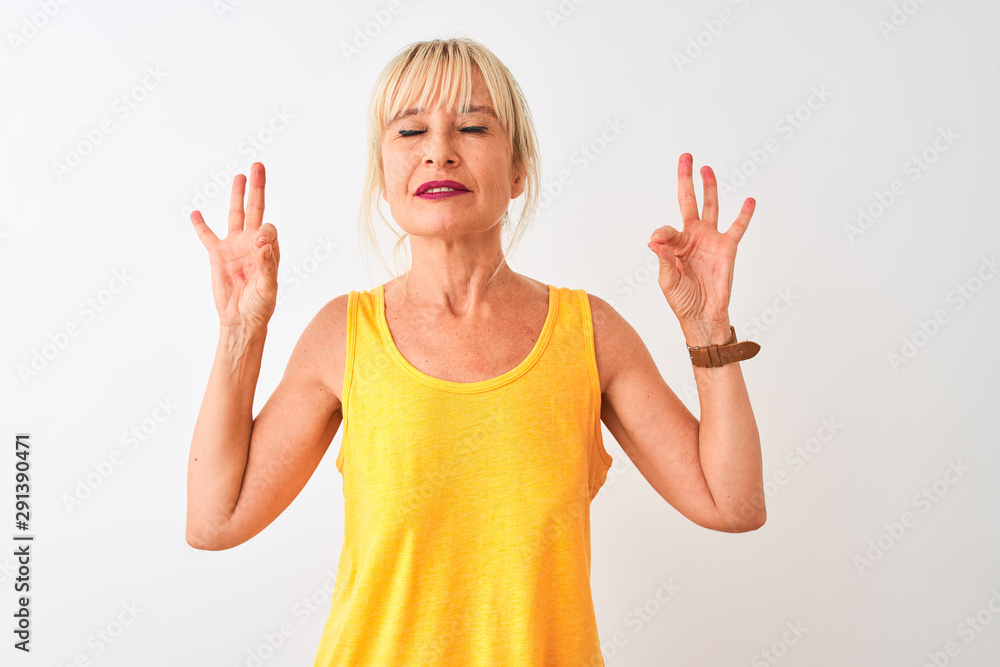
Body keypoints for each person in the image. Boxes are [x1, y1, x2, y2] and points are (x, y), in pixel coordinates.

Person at [185, 36, 764, 667]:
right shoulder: (344, 335)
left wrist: (708, 328)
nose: (439, 151)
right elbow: (216, 521)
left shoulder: (588, 332)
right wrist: (241, 334)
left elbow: (731, 504)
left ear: (517, 170)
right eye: (410, 132)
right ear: (384, 178)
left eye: (471, 126)